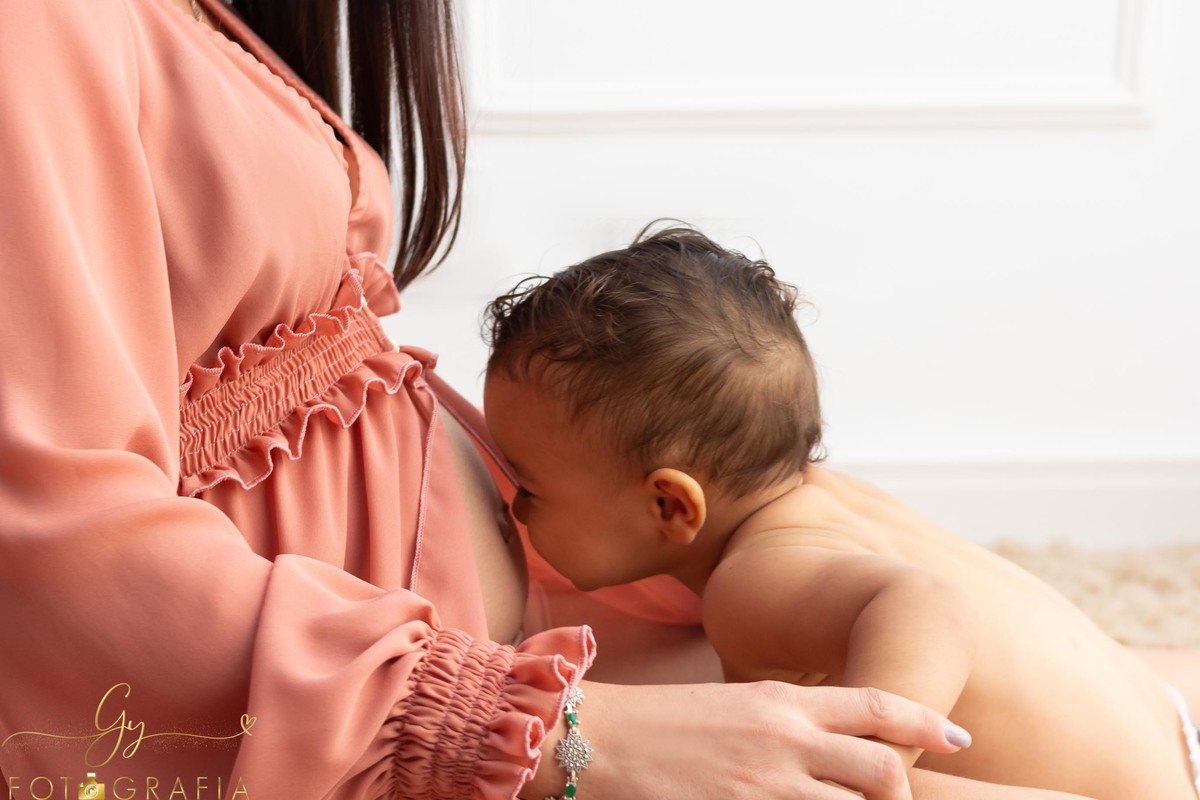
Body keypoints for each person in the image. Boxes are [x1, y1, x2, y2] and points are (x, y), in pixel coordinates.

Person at [0, 2, 1025, 799]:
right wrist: (556, 731)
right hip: (369, 694)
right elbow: (41, 541)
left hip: (516, 609)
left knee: (1065, 693)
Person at [482, 225, 1200, 800]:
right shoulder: (820, 497)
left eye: (530, 486)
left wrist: (867, 765)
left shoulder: (753, 582)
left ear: (671, 503)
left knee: (820, 779)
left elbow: (925, 601)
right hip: (1159, 721)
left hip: (1106, 789)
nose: (511, 505)